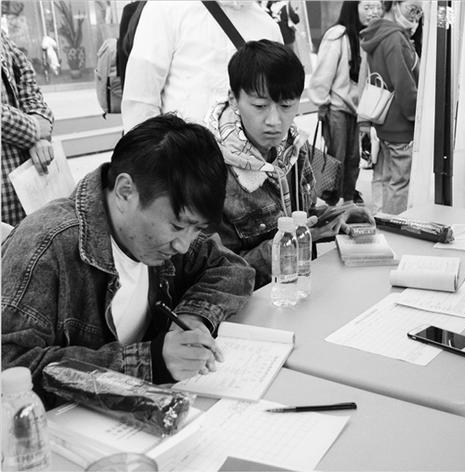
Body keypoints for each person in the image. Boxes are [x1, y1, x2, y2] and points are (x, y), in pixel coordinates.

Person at [1, 114, 255, 407]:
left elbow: (233, 269)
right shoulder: (46, 246)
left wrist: (192, 317)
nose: (184, 245)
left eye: (196, 229)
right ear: (125, 191)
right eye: (176, 226)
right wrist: (150, 362)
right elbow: (10, 368)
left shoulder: (164, 226)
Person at [205, 40, 374, 289]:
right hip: (253, 303)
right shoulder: (211, 168)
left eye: (286, 106)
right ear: (233, 99)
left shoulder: (294, 148)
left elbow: (299, 214)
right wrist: (292, 242)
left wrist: (336, 216)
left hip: (299, 289)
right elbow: (216, 272)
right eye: (260, 106)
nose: (274, 120)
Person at [121, 1, 281, 131]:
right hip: (182, 155)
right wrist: (150, 156)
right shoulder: (166, 8)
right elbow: (140, 99)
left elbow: (279, 97)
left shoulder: (267, 25)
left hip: (249, 157)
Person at [308, 0, 383, 205]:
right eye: (367, 7)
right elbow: (324, 72)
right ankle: (332, 202)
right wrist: (321, 101)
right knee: (337, 158)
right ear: (353, 7)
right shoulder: (338, 35)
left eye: (377, 7)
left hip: (356, 109)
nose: (373, 12)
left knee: (353, 159)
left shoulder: (367, 35)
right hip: (337, 107)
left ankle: (348, 200)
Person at [360, 0, 422, 215]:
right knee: (399, 184)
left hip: (384, 120)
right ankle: (393, 227)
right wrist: (417, 117)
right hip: (401, 124)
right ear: (395, 3)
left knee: (387, 180)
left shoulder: (377, 34)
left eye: (419, 12)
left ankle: (384, 223)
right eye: (412, 8)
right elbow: (404, 84)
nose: (415, 16)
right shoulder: (395, 38)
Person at [1, 33, 54, 226]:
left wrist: (38, 121)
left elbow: (27, 80)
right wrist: (34, 130)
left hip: (24, 193)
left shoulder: (2, 38)